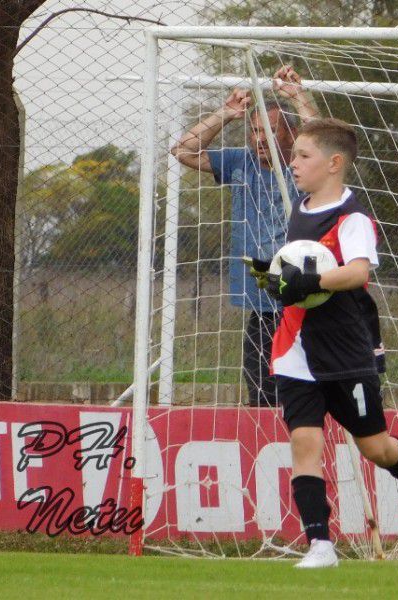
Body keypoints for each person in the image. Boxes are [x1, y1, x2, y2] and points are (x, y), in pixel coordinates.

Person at [254, 118, 398, 568]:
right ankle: (320, 544)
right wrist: (279, 281)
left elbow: (357, 273)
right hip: (295, 348)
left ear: (334, 164)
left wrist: (309, 280)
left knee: (374, 447)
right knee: (304, 442)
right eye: (293, 154)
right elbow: (297, 271)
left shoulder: (352, 219)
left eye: (302, 156)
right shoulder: (300, 205)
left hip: (345, 350)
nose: (293, 163)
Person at [171, 66, 318, 407]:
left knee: (311, 396)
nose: (260, 137)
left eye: (270, 129)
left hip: (308, 302)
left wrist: (299, 97)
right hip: (264, 305)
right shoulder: (241, 162)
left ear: (293, 136)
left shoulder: (304, 169)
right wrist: (225, 113)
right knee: (262, 396)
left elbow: (324, 140)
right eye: (255, 130)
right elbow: (183, 151)